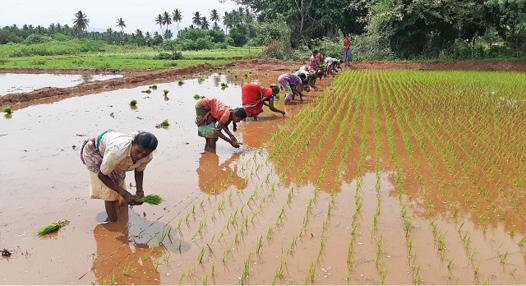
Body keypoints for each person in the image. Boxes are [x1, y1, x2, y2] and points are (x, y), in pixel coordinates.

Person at [80, 130, 158, 222]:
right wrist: (125, 193)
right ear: (132, 144)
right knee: (110, 194)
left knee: (118, 184)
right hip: (96, 151)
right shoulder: (118, 151)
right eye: (138, 151)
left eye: (145, 154)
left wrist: (140, 191)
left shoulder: (147, 157)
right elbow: (102, 175)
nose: (140, 156)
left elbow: (139, 171)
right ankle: (113, 222)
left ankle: (120, 218)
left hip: (114, 155)